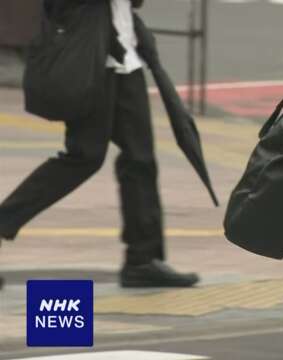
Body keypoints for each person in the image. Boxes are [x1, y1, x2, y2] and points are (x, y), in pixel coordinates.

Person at [0, 0, 199, 288]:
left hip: (124, 57)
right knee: (84, 156)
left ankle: (142, 260)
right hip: (89, 57)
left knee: (140, 157)